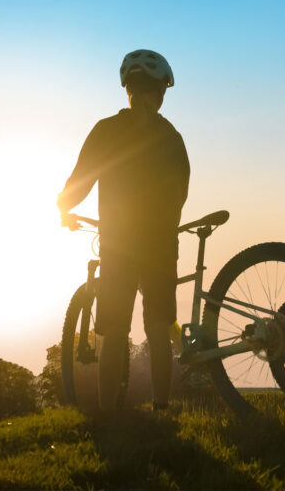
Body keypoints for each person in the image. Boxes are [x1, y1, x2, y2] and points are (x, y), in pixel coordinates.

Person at [58, 49, 189, 414]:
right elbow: (180, 191)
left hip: (118, 242)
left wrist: (63, 207)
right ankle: (161, 411)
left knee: (114, 331)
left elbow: (82, 178)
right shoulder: (171, 136)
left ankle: (107, 416)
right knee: (159, 329)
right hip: (161, 245)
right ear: (160, 92)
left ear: (128, 88)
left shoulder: (106, 130)